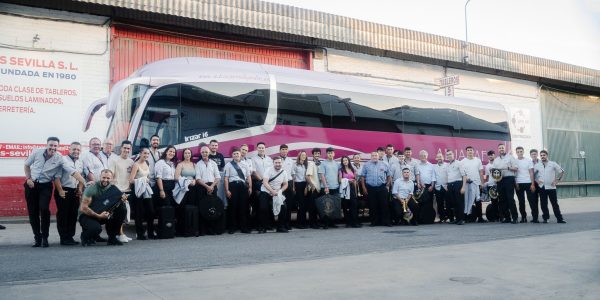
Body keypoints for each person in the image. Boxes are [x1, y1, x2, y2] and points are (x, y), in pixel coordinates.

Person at [24, 137, 87, 247]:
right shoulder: (36, 152)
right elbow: (26, 165)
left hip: (45, 186)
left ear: (58, 147)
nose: (52, 148)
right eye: (51, 145)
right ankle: (37, 238)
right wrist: (28, 178)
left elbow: (72, 171)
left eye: (55, 146)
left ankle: (45, 237)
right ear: (47, 145)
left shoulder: (60, 158)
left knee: (44, 209)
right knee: (33, 212)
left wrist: (84, 182)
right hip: (31, 185)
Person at [79, 169, 128, 246]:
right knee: (96, 229)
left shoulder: (113, 188)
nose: (105, 180)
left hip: (103, 214)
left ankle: (112, 238)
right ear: (100, 177)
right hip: (86, 215)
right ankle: (85, 236)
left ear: (111, 179)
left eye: (108, 178)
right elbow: (83, 208)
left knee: (122, 209)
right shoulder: (91, 189)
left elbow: (121, 197)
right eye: (103, 177)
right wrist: (99, 216)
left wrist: (123, 198)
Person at [53, 142, 84, 245]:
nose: (76, 151)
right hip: (64, 190)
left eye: (78, 150)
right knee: (63, 215)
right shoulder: (63, 160)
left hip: (74, 191)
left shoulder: (80, 162)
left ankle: (70, 237)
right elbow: (56, 177)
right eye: (74, 149)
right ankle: (64, 238)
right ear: (69, 149)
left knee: (73, 215)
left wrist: (80, 188)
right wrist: (60, 190)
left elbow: (80, 177)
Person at [109, 140, 135, 243]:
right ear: (121, 148)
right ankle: (120, 234)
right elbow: (111, 176)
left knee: (125, 214)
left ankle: (121, 233)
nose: (126, 150)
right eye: (125, 148)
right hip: (118, 191)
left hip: (127, 190)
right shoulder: (114, 160)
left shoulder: (131, 162)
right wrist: (115, 190)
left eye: (128, 148)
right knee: (120, 213)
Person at [224, 147, 253, 234]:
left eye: (237, 153)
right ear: (232, 156)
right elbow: (226, 179)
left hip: (243, 186)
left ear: (240, 154)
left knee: (243, 207)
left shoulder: (245, 164)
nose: (236, 155)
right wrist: (227, 190)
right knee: (233, 207)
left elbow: (248, 177)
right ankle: (232, 227)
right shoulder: (228, 165)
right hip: (233, 186)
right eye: (234, 154)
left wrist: (250, 187)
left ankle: (243, 227)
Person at [196, 145, 223, 235]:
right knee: (203, 209)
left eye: (206, 152)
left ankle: (212, 230)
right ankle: (203, 230)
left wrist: (211, 186)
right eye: (203, 152)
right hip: (202, 187)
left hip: (213, 186)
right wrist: (207, 187)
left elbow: (218, 177)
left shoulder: (213, 163)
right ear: (200, 153)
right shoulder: (198, 164)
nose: (204, 153)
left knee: (213, 209)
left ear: (209, 153)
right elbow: (198, 179)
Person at [534, 150, 566, 224]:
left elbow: (562, 172)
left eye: (544, 155)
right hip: (542, 187)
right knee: (543, 204)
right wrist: (536, 180)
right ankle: (546, 218)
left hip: (551, 187)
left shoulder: (553, 164)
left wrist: (557, 180)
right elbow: (533, 174)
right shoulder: (537, 165)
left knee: (554, 204)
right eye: (541, 155)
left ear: (547, 155)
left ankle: (559, 219)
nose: (542, 156)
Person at [258, 157, 289, 233]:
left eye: (279, 163)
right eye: (276, 163)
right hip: (266, 191)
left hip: (277, 193)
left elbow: (285, 184)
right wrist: (272, 191)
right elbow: (265, 182)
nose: (278, 164)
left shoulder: (284, 172)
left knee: (284, 208)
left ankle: (280, 227)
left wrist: (280, 191)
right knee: (263, 208)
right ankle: (263, 228)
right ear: (273, 163)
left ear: (281, 163)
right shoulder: (268, 170)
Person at [129, 148, 154, 240]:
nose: (146, 155)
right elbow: (131, 180)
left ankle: (150, 232)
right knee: (139, 213)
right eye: (144, 153)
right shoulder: (136, 164)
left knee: (150, 211)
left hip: (146, 189)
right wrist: (143, 180)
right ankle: (140, 234)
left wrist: (146, 180)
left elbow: (147, 176)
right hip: (138, 189)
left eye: (148, 154)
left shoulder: (147, 163)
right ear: (140, 153)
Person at [361, 151, 391, 227]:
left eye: (376, 155)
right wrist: (364, 187)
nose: (374, 157)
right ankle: (374, 222)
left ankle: (386, 222)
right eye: (373, 155)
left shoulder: (384, 164)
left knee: (384, 205)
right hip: (371, 188)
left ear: (379, 156)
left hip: (381, 187)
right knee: (372, 205)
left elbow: (389, 175)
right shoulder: (366, 165)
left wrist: (387, 185)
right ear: (371, 157)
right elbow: (363, 177)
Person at [492, 144, 519, 224]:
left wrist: (507, 168)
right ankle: (507, 218)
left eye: (502, 148)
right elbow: (493, 171)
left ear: (505, 149)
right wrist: (495, 178)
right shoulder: (496, 160)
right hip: (500, 180)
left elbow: (516, 168)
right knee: (502, 199)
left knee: (510, 198)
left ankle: (515, 218)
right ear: (498, 150)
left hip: (509, 179)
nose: (501, 149)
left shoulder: (510, 157)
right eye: (500, 148)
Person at [155, 146, 179, 233]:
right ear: (166, 152)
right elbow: (158, 177)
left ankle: (170, 229)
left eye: (173, 152)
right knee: (165, 208)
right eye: (170, 151)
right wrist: (161, 190)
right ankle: (162, 230)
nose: (172, 153)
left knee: (171, 208)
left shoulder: (172, 164)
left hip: (172, 187)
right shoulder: (160, 162)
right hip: (163, 186)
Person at [251, 142, 273, 230]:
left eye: (262, 148)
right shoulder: (253, 159)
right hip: (258, 183)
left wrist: (267, 182)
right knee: (260, 205)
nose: (261, 149)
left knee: (268, 205)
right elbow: (254, 171)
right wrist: (262, 181)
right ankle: (259, 225)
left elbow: (272, 170)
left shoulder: (269, 159)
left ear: (265, 148)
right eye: (259, 148)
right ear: (257, 149)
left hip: (268, 183)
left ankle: (268, 224)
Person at [460, 146, 485, 223]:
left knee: (478, 201)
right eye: (468, 150)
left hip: (476, 183)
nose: (470, 151)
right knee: (466, 200)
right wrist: (466, 179)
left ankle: (480, 218)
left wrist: (482, 182)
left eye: (471, 150)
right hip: (467, 184)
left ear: (473, 151)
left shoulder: (477, 160)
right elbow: (461, 173)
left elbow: (481, 172)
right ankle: (465, 217)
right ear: (466, 152)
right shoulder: (462, 161)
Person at [318, 147, 340, 229]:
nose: (330, 154)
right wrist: (326, 186)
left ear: (334, 154)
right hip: (326, 187)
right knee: (326, 206)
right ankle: (325, 223)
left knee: (334, 205)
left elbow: (339, 174)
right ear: (326, 154)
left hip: (335, 187)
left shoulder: (336, 163)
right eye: (329, 153)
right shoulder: (323, 163)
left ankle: (332, 223)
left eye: (331, 153)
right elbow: (322, 175)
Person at [514, 146, 536, 223]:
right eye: (518, 152)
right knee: (521, 202)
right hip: (519, 183)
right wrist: (516, 183)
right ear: (516, 153)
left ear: (523, 152)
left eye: (521, 151)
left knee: (531, 201)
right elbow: (514, 173)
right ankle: (523, 217)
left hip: (528, 183)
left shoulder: (528, 161)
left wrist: (532, 184)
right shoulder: (514, 161)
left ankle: (535, 218)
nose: (520, 153)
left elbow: (531, 172)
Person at [446, 150, 466, 225]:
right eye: (447, 155)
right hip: (450, 185)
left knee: (459, 202)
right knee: (454, 203)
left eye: (450, 154)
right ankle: (457, 219)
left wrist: (463, 187)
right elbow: (448, 176)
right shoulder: (447, 165)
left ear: (453, 154)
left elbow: (464, 175)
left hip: (458, 184)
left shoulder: (459, 163)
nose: (449, 156)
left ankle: (461, 219)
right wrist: (447, 185)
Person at [416, 150, 436, 223]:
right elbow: (417, 175)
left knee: (429, 203)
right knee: (420, 203)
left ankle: (429, 220)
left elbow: (433, 176)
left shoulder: (431, 165)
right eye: (421, 155)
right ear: (419, 156)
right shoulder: (417, 165)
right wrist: (419, 183)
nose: (423, 157)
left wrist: (432, 186)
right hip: (420, 186)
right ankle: (421, 219)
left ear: (427, 156)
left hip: (429, 187)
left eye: (424, 155)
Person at [339, 156, 360, 228]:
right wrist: (348, 180)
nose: (345, 161)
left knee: (354, 205)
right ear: (342, 162)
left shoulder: (352, 169)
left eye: (346, 160)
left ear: (348, 161)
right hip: (345, 189)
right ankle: (348, 222)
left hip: (352, 188)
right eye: (343, 160)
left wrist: (355, 181)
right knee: (346, 206)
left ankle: (355, 222)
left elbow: (355, 178)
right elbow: (339, 180)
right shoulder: (341, 170)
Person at [305, 148, 322, 229]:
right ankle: (312, 223)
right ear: (313, 155)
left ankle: (316, 223)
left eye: (318, 153)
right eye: (315, 153)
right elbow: (307, 176)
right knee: (312, 207)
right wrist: (312, 186)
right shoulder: (311, 163)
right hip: (313, 189)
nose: (317, 155)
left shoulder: (320, 164)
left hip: (319, 188)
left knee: (317, 207)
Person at [279, 144, 295, 230]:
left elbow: (293, 174)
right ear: (280, 150)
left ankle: (287, 223)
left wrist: (293, 186)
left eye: (286, 149)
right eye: (283, 149)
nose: (284, 151)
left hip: (289, 183)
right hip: (280, 184)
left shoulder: (291, 161)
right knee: (282, 205)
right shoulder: (277, 160)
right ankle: (281, 224)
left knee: (289, 204)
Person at [292, 151, 309, 229]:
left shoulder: (306, 165)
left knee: (305, 205)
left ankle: (304, 222)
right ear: (299, 156)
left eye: (305, 155)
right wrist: (293, 187)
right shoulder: (295, 165)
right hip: (298, 185)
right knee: (300, 205)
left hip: (305, 185)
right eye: (302, 155)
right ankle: (299, 223)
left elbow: (308, 177)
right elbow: (293, 177)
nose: (304, 156)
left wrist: (306, 187)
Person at [433, 152, 450, 223]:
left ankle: (449, 217)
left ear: (443, 158)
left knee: (448, 203)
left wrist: (448, 185)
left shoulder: (447, 165)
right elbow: (433, 177)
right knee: (439, 203)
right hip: (438, 187)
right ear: (436, 158)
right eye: (438, 157)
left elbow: (449, 175)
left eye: (441, 157)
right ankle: (442, 217)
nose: (439, 158)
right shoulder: (434, 167)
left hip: (446, 187)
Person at [484, 150, 499, 221]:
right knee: (494, 202)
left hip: (498, 185)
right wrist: (486, 183)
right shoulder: (487, 166)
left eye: (492, 155)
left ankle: (502, 216)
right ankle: (496, 217)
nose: (490, 156)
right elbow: (487, 176)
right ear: (488, 156)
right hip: (491, 186)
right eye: (489, 155)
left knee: (501, 201)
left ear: (494, 155)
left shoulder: (498, 164)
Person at [530, 149, 541, 222]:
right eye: (532, 154)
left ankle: (545, 217)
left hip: (541, 183)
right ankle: (535, 218)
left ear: (537, 154)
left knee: (543, 201)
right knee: (533, 201)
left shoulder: (542, 162)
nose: (534, 155)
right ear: (530, 155)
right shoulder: (529, 163)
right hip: (533, 183)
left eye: (535, 154)